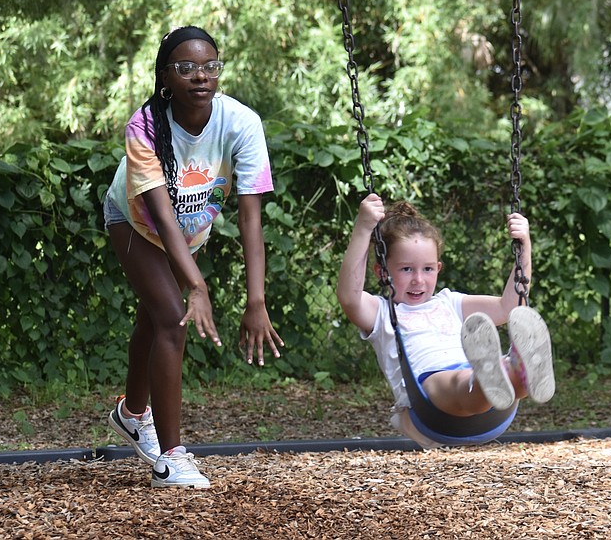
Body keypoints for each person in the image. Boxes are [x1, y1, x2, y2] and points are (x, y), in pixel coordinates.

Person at [103, 25, 283, 488]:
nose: (200, 76)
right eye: (186, 68)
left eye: (210, 67)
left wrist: (256, 300)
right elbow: (161, 217)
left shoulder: (242, 123)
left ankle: (131, 413)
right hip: (136, 223)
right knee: (169, 318)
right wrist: (197, 286)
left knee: (152, 318)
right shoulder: (144, 126)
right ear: (166, 77)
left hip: (189, 233)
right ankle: (171, 457)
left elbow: (249, 218)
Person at [336, 193, 554, 449]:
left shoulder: (450, 302)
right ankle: (492, 375)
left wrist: (524, 245)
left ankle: (517, 374)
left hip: (490, 409)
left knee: (473, 375)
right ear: (383, 272)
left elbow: (508, 308)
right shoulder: (381, 313)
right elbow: (349, 297)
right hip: (431, 410)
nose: (418, 279)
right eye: (407, 269)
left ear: (438, 268)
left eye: (427, 269)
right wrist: (363, 228)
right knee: (454, 383)